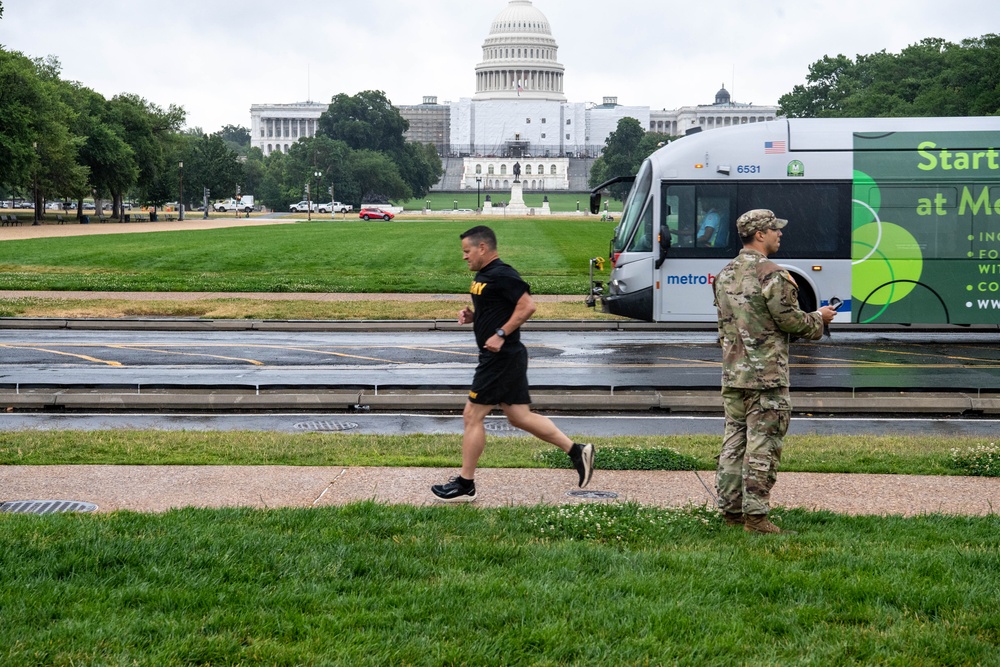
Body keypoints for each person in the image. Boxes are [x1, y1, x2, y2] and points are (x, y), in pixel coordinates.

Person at [431, 225, 595, 503]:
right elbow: (498, 307)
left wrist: (500, 334)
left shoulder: (503, 273)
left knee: (472, 415)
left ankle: (465, 484)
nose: (464, 257)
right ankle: (577, 451)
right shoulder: (484, 275)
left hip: (500, 358)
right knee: (519, 417)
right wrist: (474, 316)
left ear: (482, 248)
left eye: (467, 251)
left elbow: (527, 306)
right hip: (506, 357)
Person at [713, 209, 837, 534]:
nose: (779, 234)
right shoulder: (774, 274)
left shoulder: (725, 274)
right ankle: (756, 518)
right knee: (762, 445)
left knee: (734, 442)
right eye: (774, 229)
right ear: (760, 235)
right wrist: (819, 318)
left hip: (733, 374)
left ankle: (731, 511)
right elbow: (791, 321)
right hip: (766, 376)